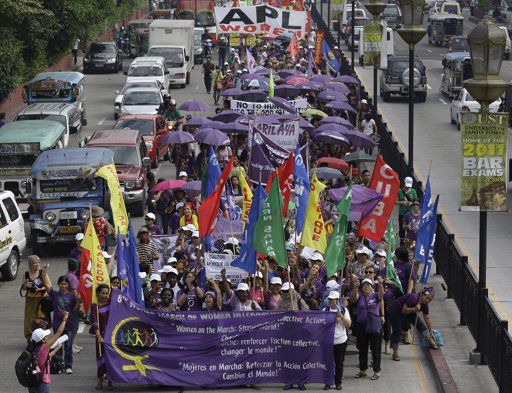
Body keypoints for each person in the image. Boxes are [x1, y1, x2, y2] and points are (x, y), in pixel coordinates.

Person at [41, 268, 78, 375]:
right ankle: (59, 365)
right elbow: (48, 286)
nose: (64, 286)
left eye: (65, 284)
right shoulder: (55, 294)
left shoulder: (72, 296)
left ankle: (68, 366)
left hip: (69, 325)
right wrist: (44, 273)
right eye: (62, 284)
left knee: (68, 346)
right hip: (57, 325)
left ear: (68, 285)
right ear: (58, 284)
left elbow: (74, 309)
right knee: (58, 345)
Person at [390, 287, 438, 361]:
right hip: (396, 311)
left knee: (420, 324)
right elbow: (403, 310)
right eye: (427, 298)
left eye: (430, 300)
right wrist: (415, 309)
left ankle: (430, 340)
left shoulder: (425, 305)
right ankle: (395, 352)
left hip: (409, 312)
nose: (427, 300)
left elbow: (427, 318)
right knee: (397, 331)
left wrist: (431, 331)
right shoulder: (414, 298)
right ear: (422, 294)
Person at [351, 276, 384, 381]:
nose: (366, 287)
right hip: (362, 326)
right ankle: (363, 370)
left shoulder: (375, 296)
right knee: (362, 349)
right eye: (364, 285)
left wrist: (380, 285)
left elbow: (381, 295)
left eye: (368, 285)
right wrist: (355, 287)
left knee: (376, 349)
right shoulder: (360, 296)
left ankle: (377, 371)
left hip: (374, 326)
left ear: (372, 287)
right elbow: (354, 298)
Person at [27, 312, 69, 393]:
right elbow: (59, 333)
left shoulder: (31, 347)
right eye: (45, 336)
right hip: (42, 382)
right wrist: (64, 319)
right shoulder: (44, 348)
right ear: (42, 340)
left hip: (32, 382)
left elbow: (47, 357)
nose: (47, 337)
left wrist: (56, 349)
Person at [324, 291, 351, 391]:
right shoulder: (325, 310)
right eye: (330, 299)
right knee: (328, 363)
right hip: (328, 341)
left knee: (339, 363)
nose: (331, 301)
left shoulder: (344, 310)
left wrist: (341, 316)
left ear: (337, 300)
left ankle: (338, 382)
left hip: (340, 341)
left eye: (333, 299)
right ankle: (328, 382)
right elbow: (320, 325)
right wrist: (331, 321)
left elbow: (348, 325)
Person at [21, 255, 48, 341]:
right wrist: (26, 285)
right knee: (29, 319)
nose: (36, 265)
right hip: (30, 300)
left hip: (41, 300)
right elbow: (23, 288)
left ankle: (42, 337)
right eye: (34, 263)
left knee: (41, 319)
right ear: (30, 265)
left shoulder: (42, 273)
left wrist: (40, 289)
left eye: (37, 263)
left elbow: (48, 286)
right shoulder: (26, 274)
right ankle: (30, 338)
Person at [90, 283, 112, 390]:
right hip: (101, 336)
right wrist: (98, 336)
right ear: (98, 294)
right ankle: (99, 380)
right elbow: (94, 322)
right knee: (100, 357)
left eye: (107, 293)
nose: (105, 295)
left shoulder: (112, 304)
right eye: (103, 293)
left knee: (110, 358)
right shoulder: (95, 306)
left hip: (111, 336)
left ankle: (110, 381)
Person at [396, 177, 417, 242]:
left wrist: (412, 202)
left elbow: (416, 202)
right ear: (404, 183)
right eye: (406, 185)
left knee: (410, 228)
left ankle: (410, 242)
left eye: (409, 186)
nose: (407, 187)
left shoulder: (413, 191)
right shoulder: (399, 191)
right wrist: (402, 202)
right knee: (402, 228)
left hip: (410, 213)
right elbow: (395, 202)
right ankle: (402, 241)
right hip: (402, 213)